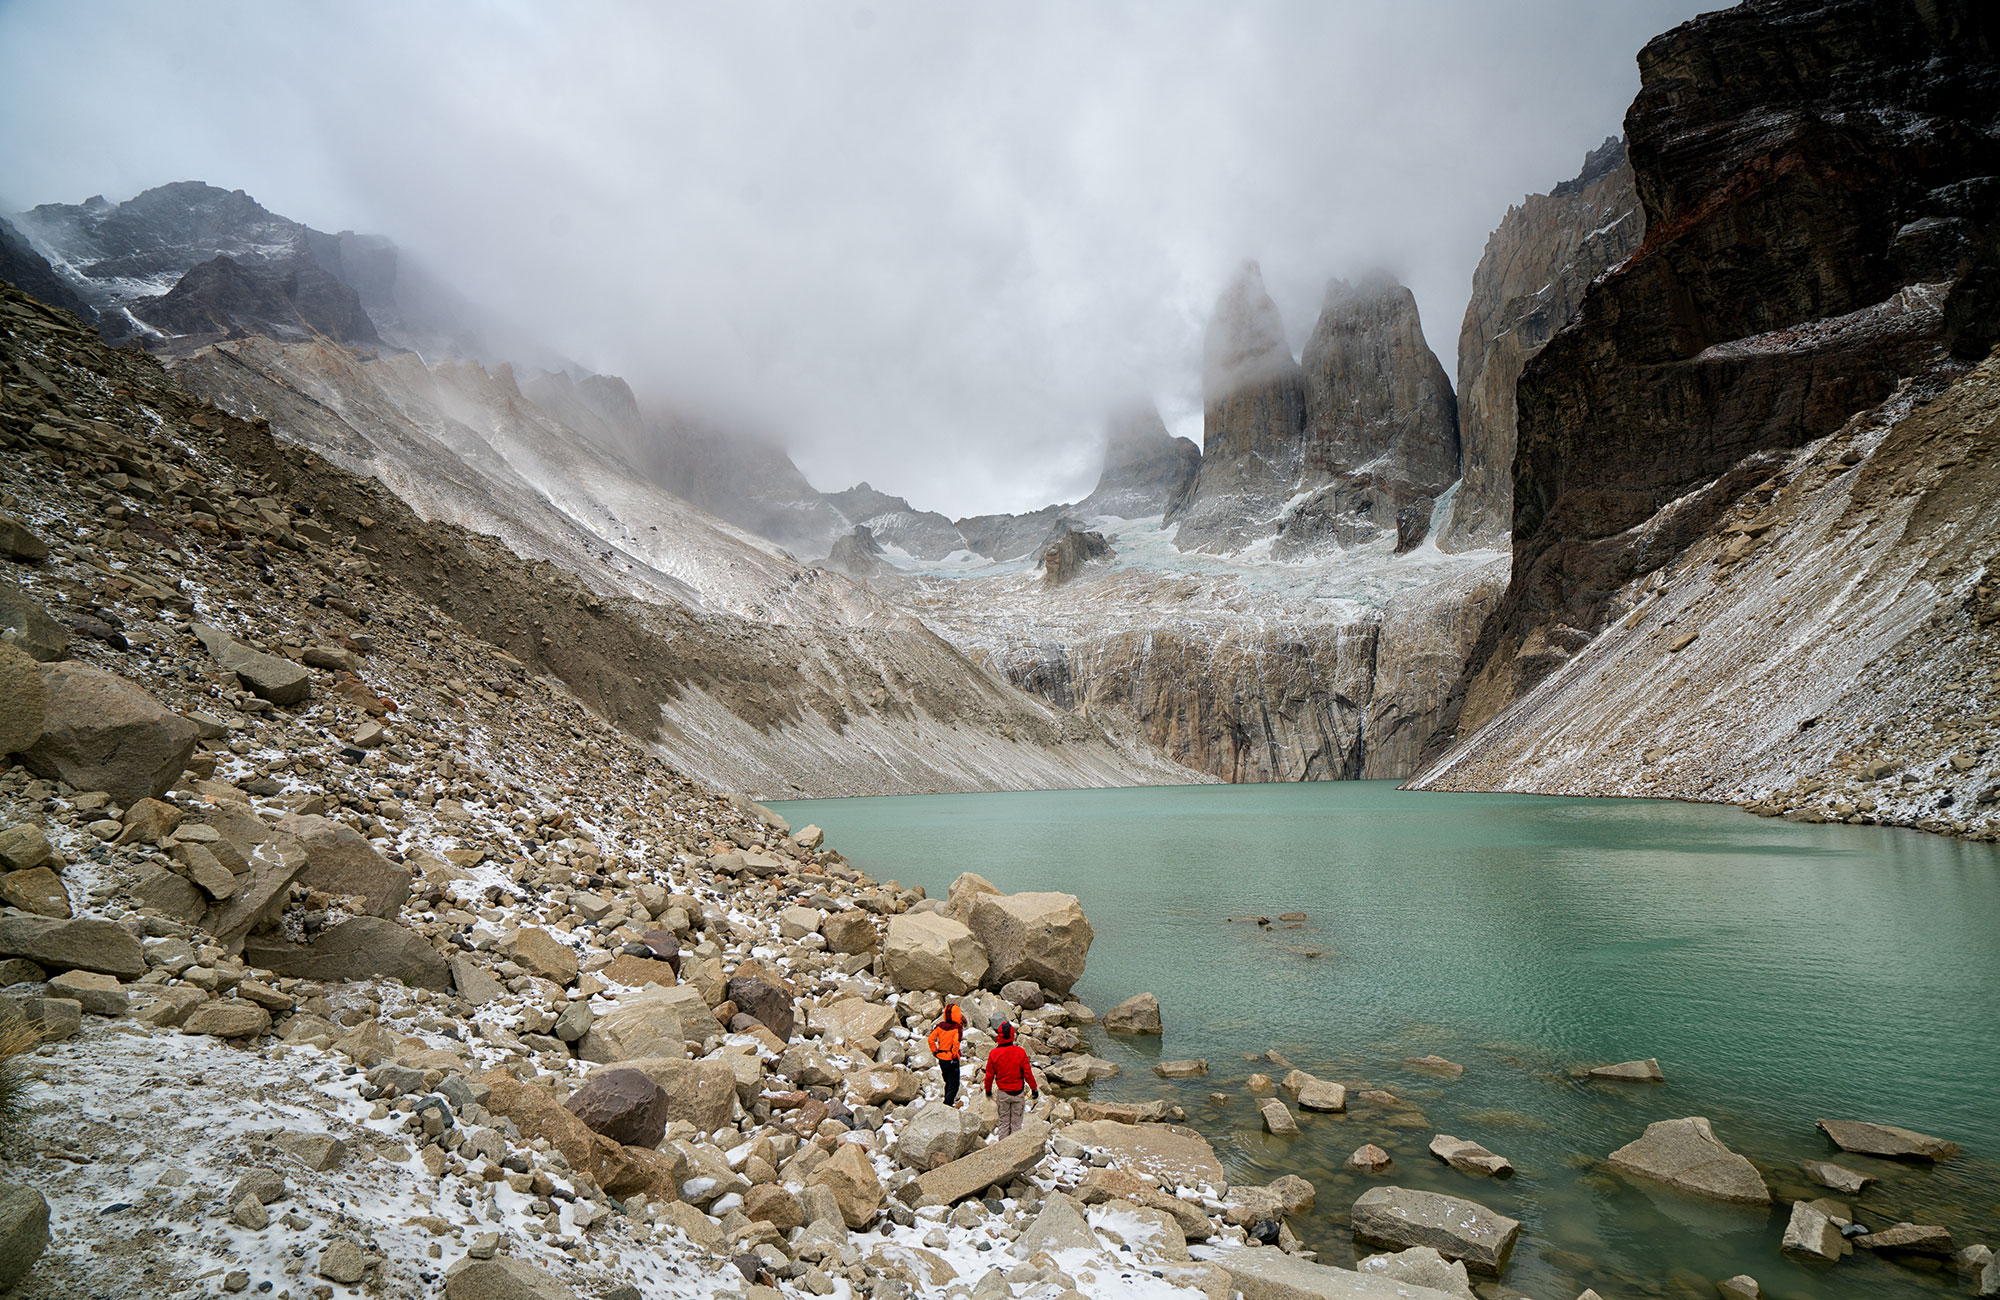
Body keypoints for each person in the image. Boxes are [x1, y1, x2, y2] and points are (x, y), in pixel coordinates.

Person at [981, 1019, 1038, 1139]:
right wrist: (1034, 1089)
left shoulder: (994, 1053)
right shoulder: (1020, 1052)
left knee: (1004, 1123)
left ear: (999, 1036)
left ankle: (1003, 1150)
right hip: (1018, 1093)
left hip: (1003, 1093)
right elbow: (1028, 1074)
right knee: (1016, 1124)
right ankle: (1015, 1150)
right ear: (1012, 1036)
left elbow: (989, 1076)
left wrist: (988, 1090)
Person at [926, 1000, 965, 1106]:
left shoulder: (940, 1025)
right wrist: (954, 1054)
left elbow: (930, 1039)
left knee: (948, 1081)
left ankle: (948, 1101)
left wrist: (935, 1051)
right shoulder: (957, 1028)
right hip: (951, 1058)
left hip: (941, 1058)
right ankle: (947, 1104)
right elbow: (956, 1043)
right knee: (954, 1084)